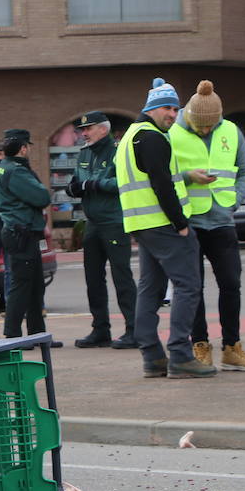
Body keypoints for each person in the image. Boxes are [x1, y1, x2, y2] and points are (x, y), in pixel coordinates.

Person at [116, 78, 217, 379]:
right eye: (167, 109)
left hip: (141, 225)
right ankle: (181, 356)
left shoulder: (130, 136)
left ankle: (152, 357)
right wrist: (181, 223)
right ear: (152, 109)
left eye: (176, 109)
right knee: (188, 286)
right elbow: (161, 184)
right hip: (164, 225)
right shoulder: (152, 138)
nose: (173, 115)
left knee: (150, 288)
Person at [169, 81, 245, 370]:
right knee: (193, 288)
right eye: (201, 126)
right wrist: (187, 176)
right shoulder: (171, 132)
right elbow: (162, 176)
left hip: (222, 220)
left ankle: (232, 347)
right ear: (190, 117)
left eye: (211, 126)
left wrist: (233, 199)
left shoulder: (231, 130)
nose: (206, 131)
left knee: (231, 284)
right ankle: (200, 345)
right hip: (189, 221)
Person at [65, 112, 137, 349]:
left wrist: (95, 185)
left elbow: (124, 182)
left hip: (113, 221)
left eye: (89, 129)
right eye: (82, 130)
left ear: (103, 129)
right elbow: (79, 179)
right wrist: (73, 188)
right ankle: (100, 329)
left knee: (122, 277)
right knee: (93, 278)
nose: (84, 134)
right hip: (92, 222)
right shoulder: (85, 153)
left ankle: (134, 329)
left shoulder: (118, 151)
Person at [0, 130, 55, 344]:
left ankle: (38, 334)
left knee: (35, 285)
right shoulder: (16, 171)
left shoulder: (8, 167)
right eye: (27, 146)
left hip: (22, 232)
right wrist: (42, 191)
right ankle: (12, 335)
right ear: (23, 148)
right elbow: (41, 197)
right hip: (22, 233)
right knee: (22, 286)